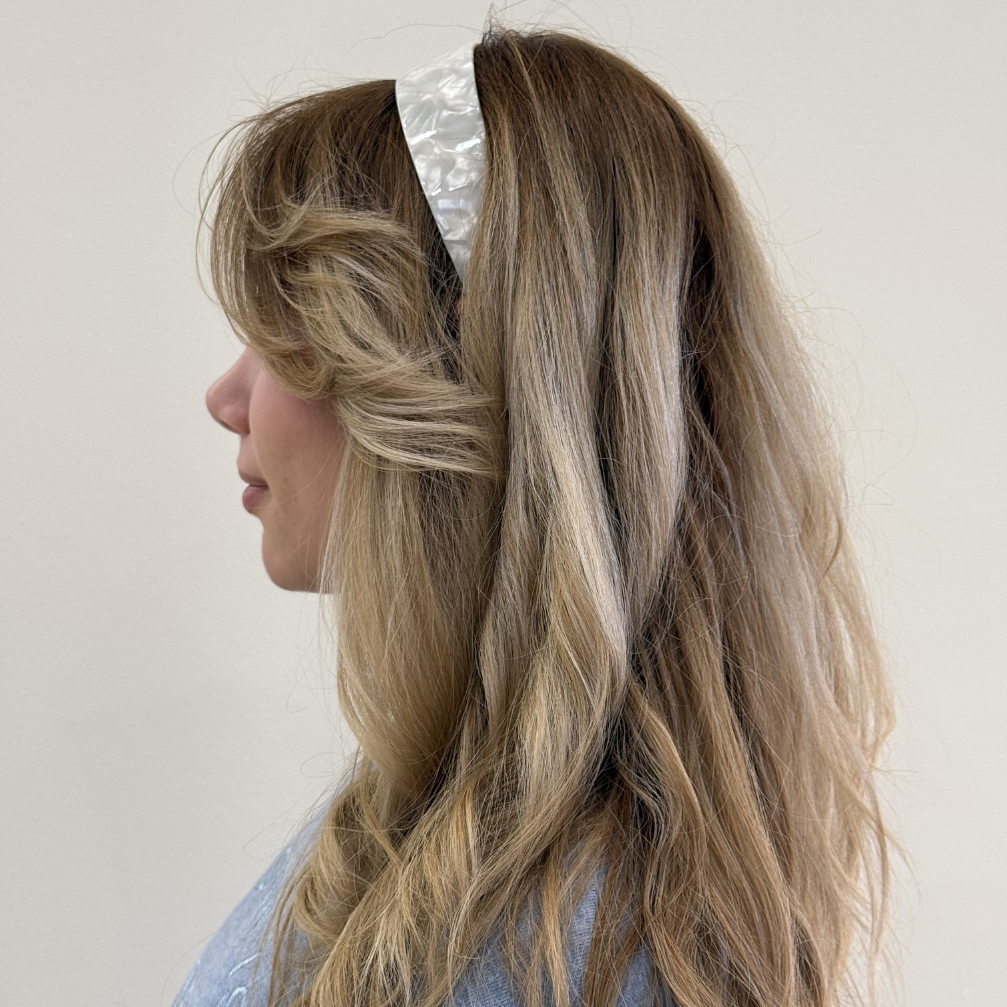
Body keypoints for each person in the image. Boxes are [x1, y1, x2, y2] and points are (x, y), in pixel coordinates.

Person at [179, 19, 897, 1007]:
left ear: (438, 382)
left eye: (280, 334)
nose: (227, 395)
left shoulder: (547, 947)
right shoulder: (458, 853)